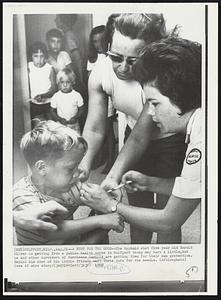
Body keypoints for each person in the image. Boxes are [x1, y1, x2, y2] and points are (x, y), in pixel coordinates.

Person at [79, 37, 202, 242]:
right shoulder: (199, 121)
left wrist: (109, 206)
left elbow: (169, 221)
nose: (150, 114)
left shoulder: (201, 142)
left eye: (154, 103)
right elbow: (198, 185)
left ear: (181, 95)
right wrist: (150, 183)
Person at [13, 120, 124, 245]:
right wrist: (100, 220)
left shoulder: (69, 186)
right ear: (42, 168)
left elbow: (96, 199)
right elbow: (50, 231)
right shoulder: (21, 194)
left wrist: (107, 196)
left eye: (78, 166)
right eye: (71, 168)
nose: (77, 174)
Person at [87, 25, 116, 173]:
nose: (98, 44)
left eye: (101, 40)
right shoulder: (92, 59)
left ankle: (111, 159)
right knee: (98, 128)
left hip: (108, 99)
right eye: (95, 41)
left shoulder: (111, 58)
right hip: (97, 99)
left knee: (108, 130)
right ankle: (100, 157)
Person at [28, 41, 57, 121]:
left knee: (51, 125)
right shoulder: (29, 67)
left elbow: (54, 89)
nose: (39, 60)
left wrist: (43, 96)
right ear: (31, 56)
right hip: (34, 104)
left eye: (42, 56)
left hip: (48, 103)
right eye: (36, 56)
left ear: (45, 56)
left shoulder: (49, 69)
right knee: (39, 126)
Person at [50, 68, 84, 133]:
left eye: (68, 82)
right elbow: (52, 110)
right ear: (58, 82)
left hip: (74, 125)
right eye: (62, 82)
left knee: (75, 140)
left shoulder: (77, 95)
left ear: (73, 82)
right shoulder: (56, 96)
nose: (65, 85)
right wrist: (59, 119)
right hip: (61, 125)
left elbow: (82, 109)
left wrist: (76, 117)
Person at [55, 14, 84, 83]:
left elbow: (77, 59)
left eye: (57, 18)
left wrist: (81, 79)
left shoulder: (68, 36)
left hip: (74, 74)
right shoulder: (73, 34)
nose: (55, 20)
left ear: (63, 20)